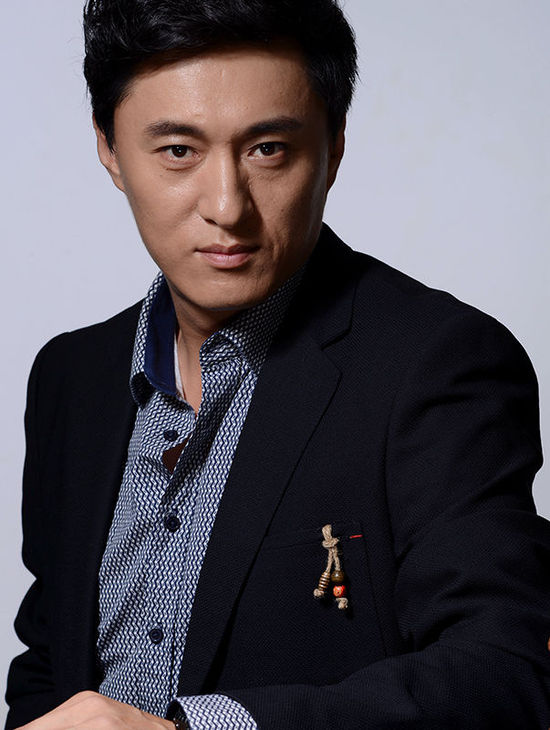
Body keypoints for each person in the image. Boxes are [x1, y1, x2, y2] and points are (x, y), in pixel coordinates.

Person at [5, 0, 550, 727]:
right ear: (109, 148)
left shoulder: (440, 364)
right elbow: (49, 663)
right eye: (179, 152)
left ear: (334, 144)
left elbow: (503, 672)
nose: (227, 207)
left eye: (268, 149)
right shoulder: (70, 378)